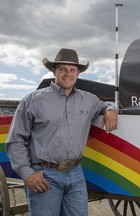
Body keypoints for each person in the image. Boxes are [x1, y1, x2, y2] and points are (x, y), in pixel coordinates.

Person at [5, 48, 118, 216]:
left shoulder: (88, 100)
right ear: (53, 71)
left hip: (75, 174)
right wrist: (27, 174)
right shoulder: (33, 101)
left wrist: (111, 110)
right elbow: (15, 140)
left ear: (78, 73)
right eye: (62, 69)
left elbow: (105, 105)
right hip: (44, 175)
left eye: (72, 70)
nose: (68, 73)